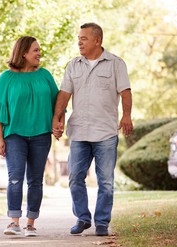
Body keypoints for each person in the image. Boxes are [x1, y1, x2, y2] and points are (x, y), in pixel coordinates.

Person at [52, 23, 133, 236]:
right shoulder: (73, 65)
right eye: (79, 38)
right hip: (79, 132)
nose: (79, 42)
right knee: (74, 177)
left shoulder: (116, 64)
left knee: (105, 181)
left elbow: (125, 91)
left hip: (105, 132)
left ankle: (102, 222)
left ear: (97, 40)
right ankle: (82, 218)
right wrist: (57, 117)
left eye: (84, 38)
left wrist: (126, 115)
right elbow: (64, 94)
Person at [0, 36, 59, 237]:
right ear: (23, 54)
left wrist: (58, 123)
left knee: (36, 180)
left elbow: (57, 104)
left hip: (41, 135)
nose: (39, 54)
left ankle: (30, 223)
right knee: (15, 178)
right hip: (15, 135)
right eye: (35, 50)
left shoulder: (45, 75)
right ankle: (13, 222)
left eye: (39, 50)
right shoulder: (6, 78)